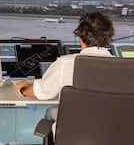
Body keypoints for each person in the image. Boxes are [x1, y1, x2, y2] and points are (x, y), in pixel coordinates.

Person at [15, 12, 115, 140]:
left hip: (74, 137)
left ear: (80, 37)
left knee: (51, 112)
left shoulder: (66, 63)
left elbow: (43, 93)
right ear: (108, 38)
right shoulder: (126, 68)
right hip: (114, 136)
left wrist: (23, 89)